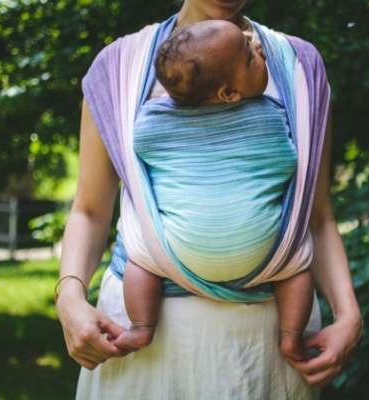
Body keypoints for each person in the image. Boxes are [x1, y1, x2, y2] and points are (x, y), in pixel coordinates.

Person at [55, 1, 363, 398]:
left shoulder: (298, 66)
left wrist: (348, 313)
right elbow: (89, 211)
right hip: (143, 348)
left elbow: (316, 217)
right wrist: (69, 297)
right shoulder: (118, 67)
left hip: (265, 347)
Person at [116, 19, 315, 362]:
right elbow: (288, 164)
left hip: (176, 251)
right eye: (249, 56)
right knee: (296, 268)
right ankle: (289, 338)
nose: (258, 49)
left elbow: (140, 157)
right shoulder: (268, 118)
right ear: (229, 94)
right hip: (263, 254)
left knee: (141, 259)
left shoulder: (150, 121)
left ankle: (141, 326)